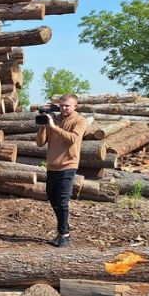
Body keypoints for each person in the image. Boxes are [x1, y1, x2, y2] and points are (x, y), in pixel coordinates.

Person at [36, 94, 88, 247]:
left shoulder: (80, 121)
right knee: (53, 199)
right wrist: (42, 128)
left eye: (67, 106)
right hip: (52, 165)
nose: (64, 108)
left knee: (62, 200)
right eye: (62, 105)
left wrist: (54, 127)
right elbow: (40, 143)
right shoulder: (54, 119)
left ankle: (64, 235)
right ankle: (63, 231)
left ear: (75, 106)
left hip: (68, 165)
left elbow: (73, 138)